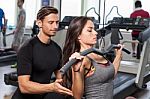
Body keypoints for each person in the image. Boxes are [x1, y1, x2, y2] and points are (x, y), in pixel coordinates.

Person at [11, 6, 72, 99]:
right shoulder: (27, 48)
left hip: (43, 95)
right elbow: (24, 87)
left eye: (57, 22)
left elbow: (60, 77)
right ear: (39, 23)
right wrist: (51, 87)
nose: (55, 26)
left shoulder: (56, 49)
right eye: (51, 23)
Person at [62, 16, 123, 99]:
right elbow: (77, 96)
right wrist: (75, 70)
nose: (95, 33)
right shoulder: (83, 59)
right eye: (90, 30)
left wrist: (118, 56)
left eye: (94, 29)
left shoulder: (97, 53)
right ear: (78, 35)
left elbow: (110, 76)